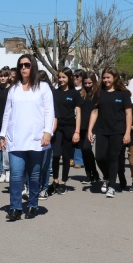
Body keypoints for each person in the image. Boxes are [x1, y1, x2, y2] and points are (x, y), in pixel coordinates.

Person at [0, 54, 53, 221]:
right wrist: (2, 134)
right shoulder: (13, 89)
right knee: (16, 174)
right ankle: (15, 207)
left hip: (36, 138)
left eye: (27, 65)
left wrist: (47, 132)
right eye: (20, 65)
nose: (23, 68)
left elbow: (49, 111)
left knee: (34, 175)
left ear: (33, 67)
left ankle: (32, 204)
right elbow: (7, 112)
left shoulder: (43, 87)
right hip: (15, 138)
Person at [88, 67, 132, 198]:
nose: (106, 80)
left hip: (117, 130)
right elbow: (94, 111)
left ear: (115, 78)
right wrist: (90, 129)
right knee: (99, 157)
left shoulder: (123, 94)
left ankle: (112, 185)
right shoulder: (99, 92)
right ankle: (107, 176)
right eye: (104, 77)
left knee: (113, 157)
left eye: (109, 77)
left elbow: (128, 113)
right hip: (101, 129)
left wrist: (127, 132)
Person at [49, 67, 81, 196]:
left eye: (64, 77)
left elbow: (78, 113)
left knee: (67, 156)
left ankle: (63, 182)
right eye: (59, 77)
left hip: (69, 127)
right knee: (56, 155)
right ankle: (55, 180)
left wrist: (77, 131)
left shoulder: (74, 93)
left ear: (69, 78)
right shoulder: (54, 93)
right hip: (57, 127)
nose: (61, 80)